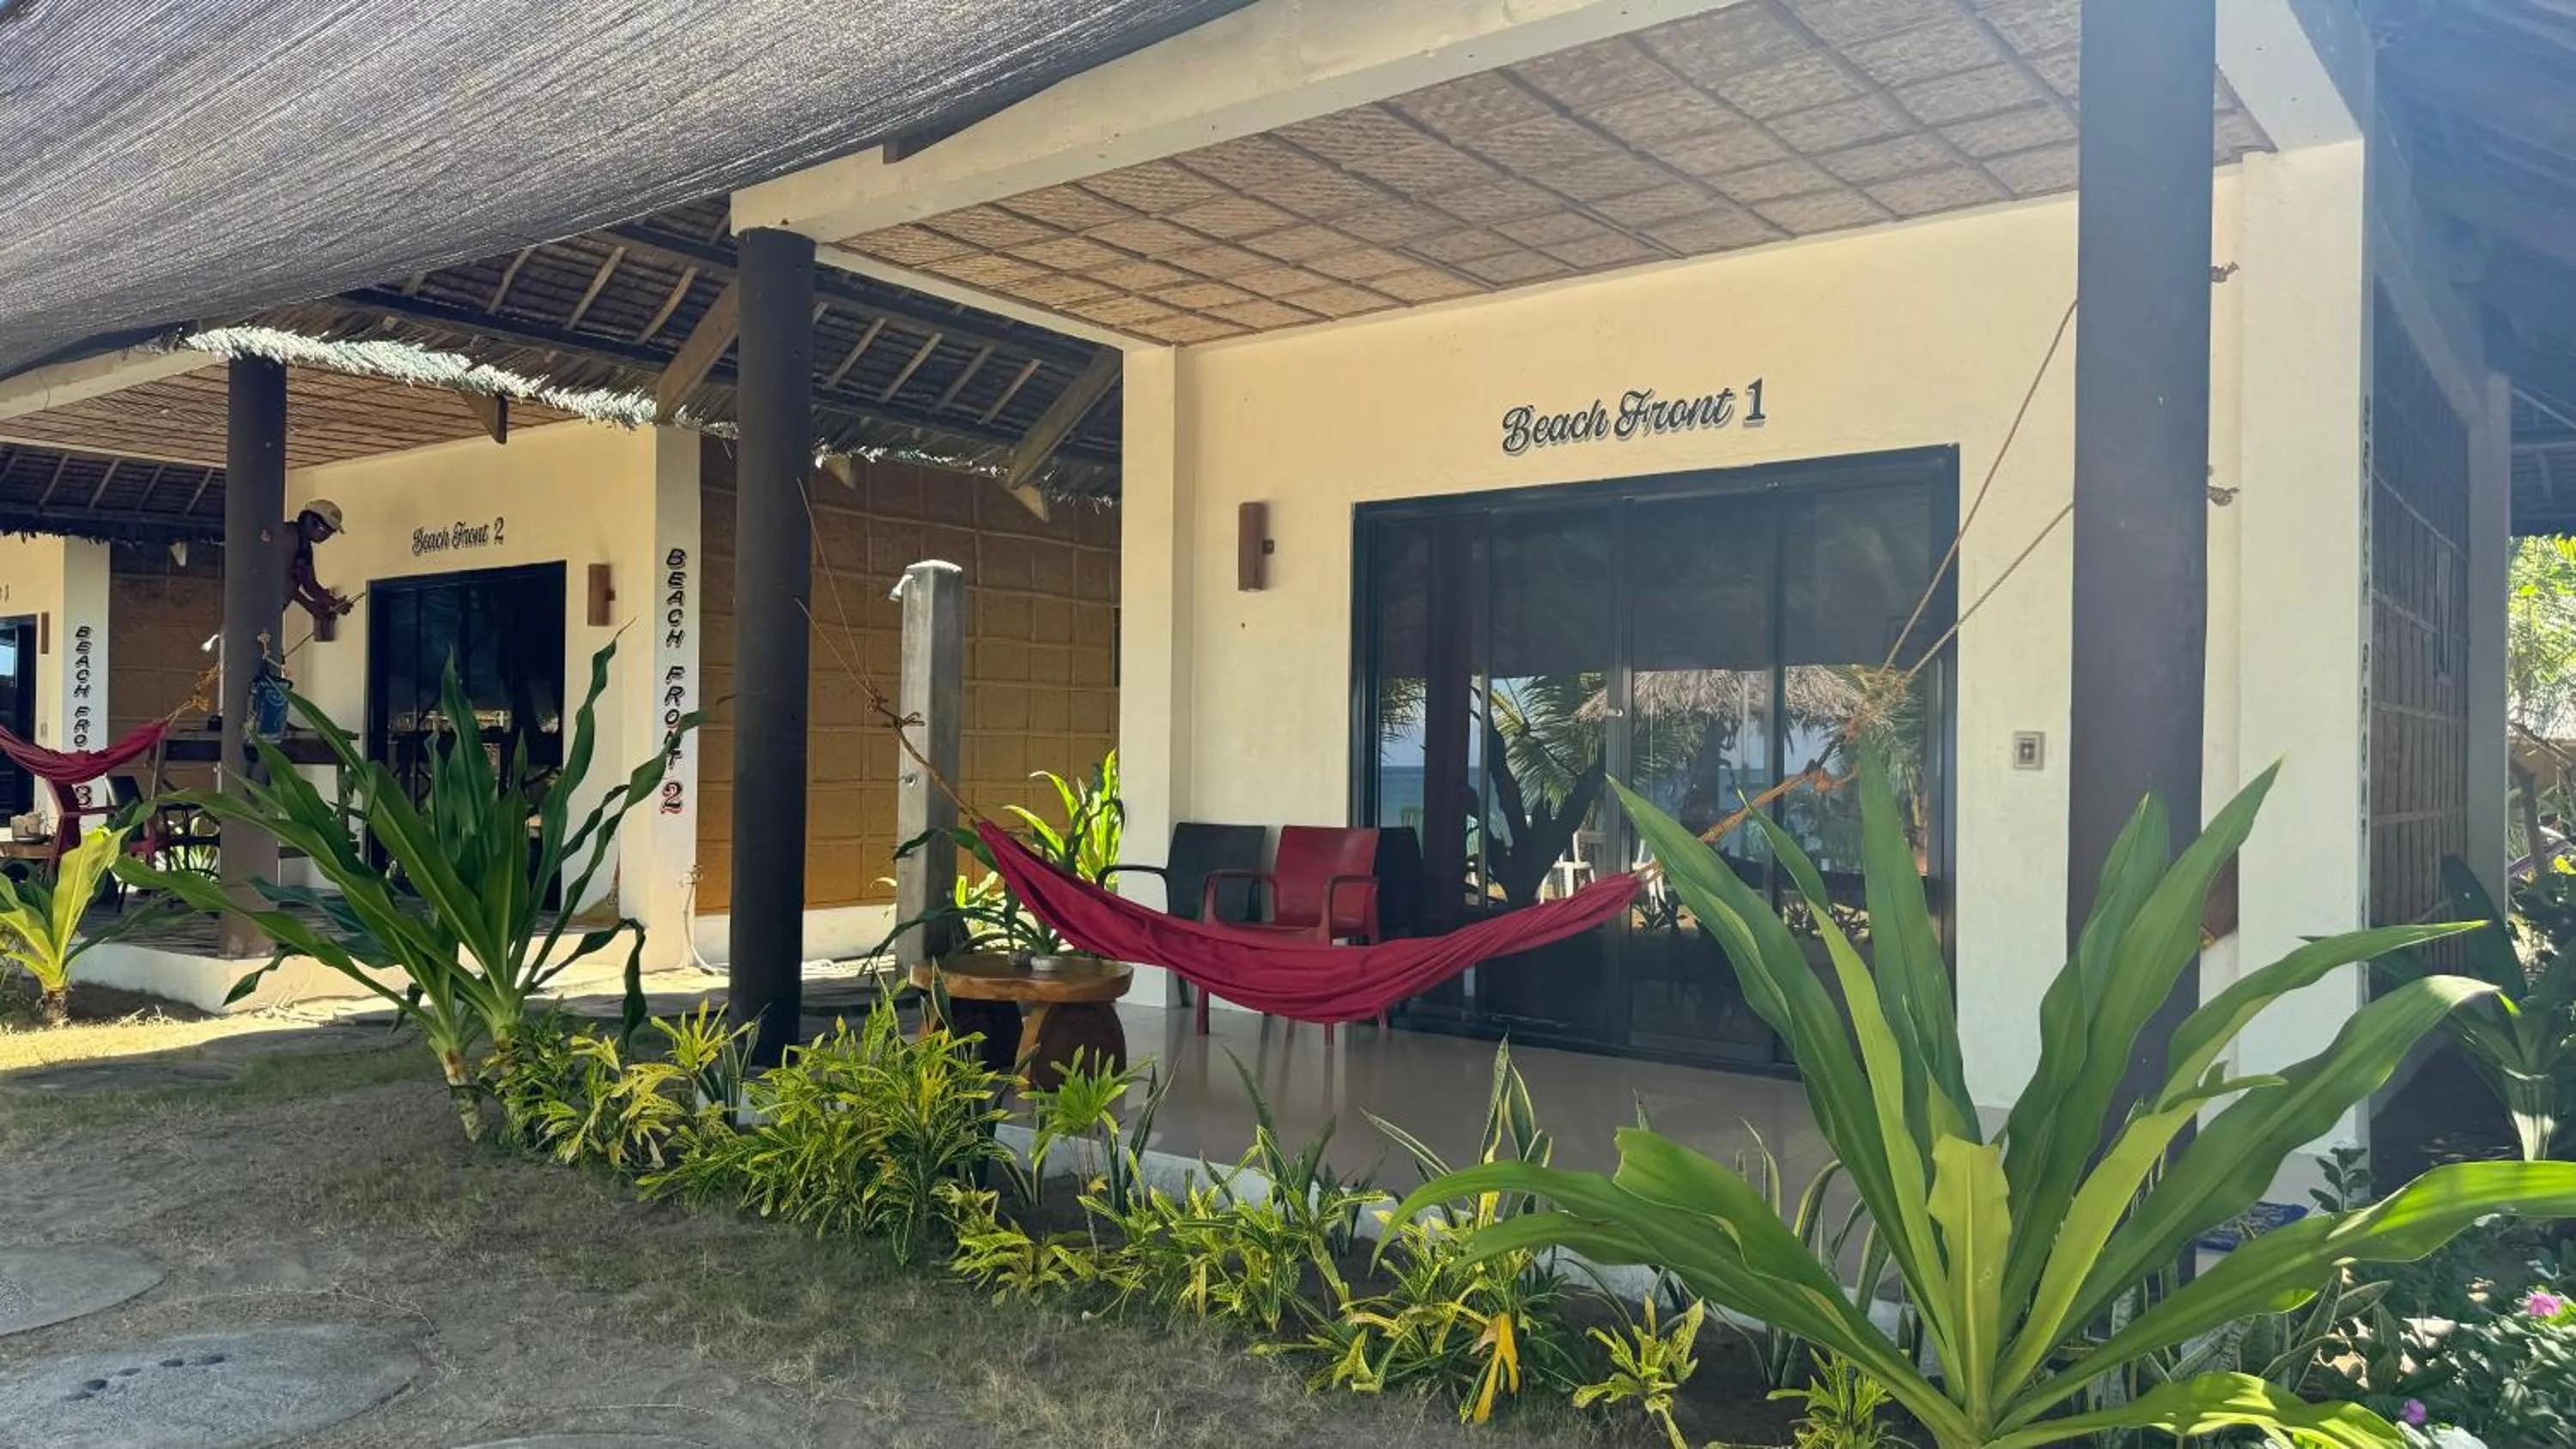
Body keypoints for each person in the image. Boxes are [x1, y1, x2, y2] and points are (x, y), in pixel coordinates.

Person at [279, 499, 353, 626]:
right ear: (309, 519)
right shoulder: (288, 535)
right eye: (323, 530)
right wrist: (309, 605)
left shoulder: (305, 546)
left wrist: (335, 604)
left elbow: (310, 585)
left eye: (330, 534)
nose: (325, 537)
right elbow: (279, 578)